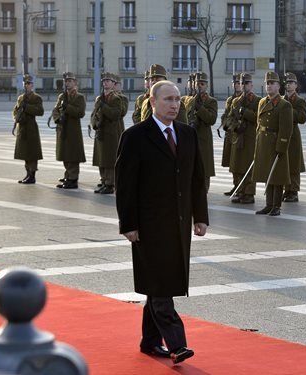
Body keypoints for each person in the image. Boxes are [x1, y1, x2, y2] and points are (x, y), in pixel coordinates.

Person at [115, 80, 208, 365]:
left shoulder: (188, 134)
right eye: (168, 99)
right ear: (152, 102)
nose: (174, 104)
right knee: (159, 284)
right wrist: (128, 224)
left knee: (158, 282)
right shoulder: (135, 136)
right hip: (148, 226)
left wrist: (200, 217)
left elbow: (196, 179)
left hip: (178, 225)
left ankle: (150, 341)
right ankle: (177, 344)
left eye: (177, 99)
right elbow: (125, 184)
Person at [253, 72, 293, 216]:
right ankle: (268, 204)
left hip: (275, 142)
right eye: (267, 83)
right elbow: (259, 124)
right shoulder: (262, 102)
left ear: (278, 86)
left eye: (272, 83)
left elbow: (286, 129)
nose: (269, 86)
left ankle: (276, 206)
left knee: (277, 175)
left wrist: (281, 146)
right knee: (266, 174)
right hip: (264, 142)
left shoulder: (284, 105)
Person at [228, 72, 261, 204]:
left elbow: (257, 117)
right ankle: (240, 190)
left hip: (250, 137)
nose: (243, 85)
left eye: (246, 83)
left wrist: (244, 112)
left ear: (251, 84)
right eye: (242, 83)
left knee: (248, 166)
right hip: (238, 136)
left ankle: (249, 193)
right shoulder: (236, 101)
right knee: (237, 165)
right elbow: (230, 117)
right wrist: (234, 127)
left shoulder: (258, 100)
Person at [51, 72, 86, 189]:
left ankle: (73, 179)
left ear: (75, 83)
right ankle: (68, 176)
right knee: (65, 154)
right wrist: (57, 119)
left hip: (73, 130)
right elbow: (55, 110)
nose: (68, 83)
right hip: (62, 128)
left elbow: (80, 112)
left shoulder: (79, 97)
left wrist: (68, 107)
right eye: (66, 81)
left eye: (70, 81)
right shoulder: (62, 96)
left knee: (73, 156)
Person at [90, 72, 123, 194]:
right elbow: (94, 113)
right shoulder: (100, 98)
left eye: (108, 81)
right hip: (100, 131)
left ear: (114, 84)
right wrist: (94, 123)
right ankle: (104, 181)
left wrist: (103, 107)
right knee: (101, 159)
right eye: (104, 81)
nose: (105, 83)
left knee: (109, 159)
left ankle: (110, 184)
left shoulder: (116, 98)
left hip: (111, 132)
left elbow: (115, 114)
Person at [185, 72, 218, 191]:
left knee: (204, 165)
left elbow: (211, 119)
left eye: (202, 84)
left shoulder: (211, 101)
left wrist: (200, 108)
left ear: (207, 86)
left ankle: (204, 190)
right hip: (190, 137)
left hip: (203, 138)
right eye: (197, 83)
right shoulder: (189, 100)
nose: (199, 86)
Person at [13, 74, 44, 184]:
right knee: (25, 153)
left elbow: (40, 111)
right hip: (22, 128)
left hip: (31, 128)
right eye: (25, 84)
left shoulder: (36, 98)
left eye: (29, 84)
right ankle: (27, 174)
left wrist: (27, 107)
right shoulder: (21, 98)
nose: (27, 86)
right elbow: (16, 110)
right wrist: (16, 118)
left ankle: (32, 175)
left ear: (32, 85)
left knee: (32, 153)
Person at [282, 72, 306, 203]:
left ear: (296, 85)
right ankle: (286, 189)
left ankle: (294, 190)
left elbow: (302, 118)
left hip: (293, 134)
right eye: (287, 83)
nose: (288, 85)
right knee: (284, 163)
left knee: (294, 164)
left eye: (291, 82)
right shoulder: (281, 99)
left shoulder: (299, 100)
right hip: (282, 133)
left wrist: (288, 109)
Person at [220, 74, 242, 195]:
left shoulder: (245, 99)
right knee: (232, 161)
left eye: (239, 83)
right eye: (235, 83)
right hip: (230, 133)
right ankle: (236, 185)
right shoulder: (230, 99)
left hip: (239, 133)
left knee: (240, 161)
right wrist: (225, 124)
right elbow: (226, 115)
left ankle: (242, 187)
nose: (237, 85)